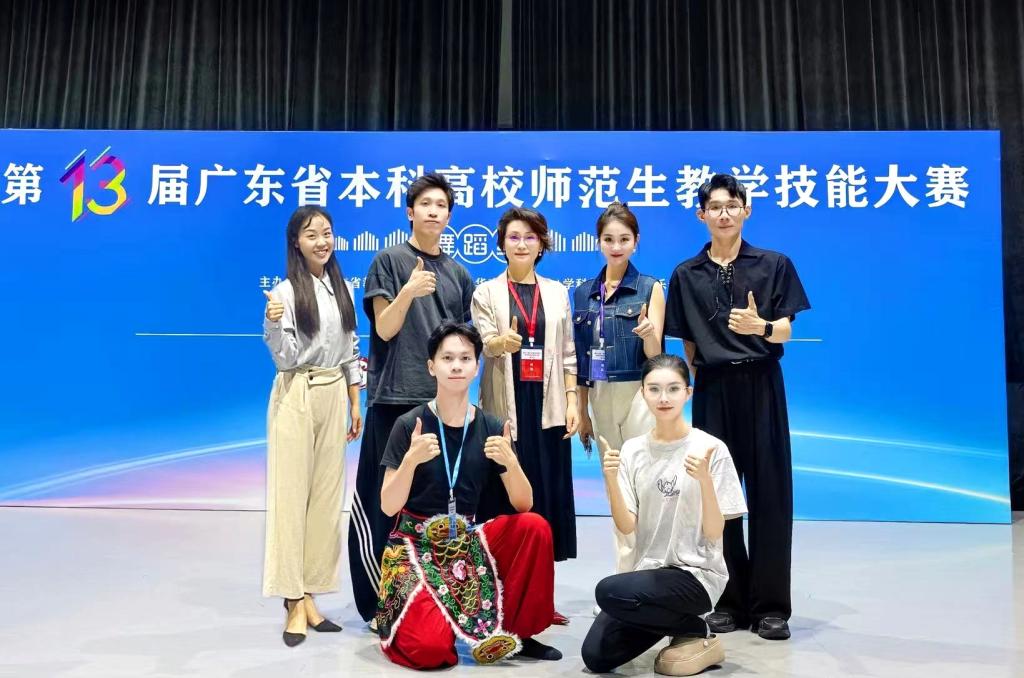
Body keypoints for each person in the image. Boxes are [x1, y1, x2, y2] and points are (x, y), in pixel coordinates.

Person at [664, 173, 811, 640]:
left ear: (746, 210)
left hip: (762, 382)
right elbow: (687, 343)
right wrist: (700, 380)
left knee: (770, 493)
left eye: (732, 205)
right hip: (713, 388)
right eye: (715, 207)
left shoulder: (774, 264)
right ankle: (728, 601)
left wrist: (760, 326)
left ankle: (771, 607)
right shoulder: (686, 274)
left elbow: (786, 329)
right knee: (717, 497)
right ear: (701, 214)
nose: (724, 214)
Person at [376, 322, 561, 668]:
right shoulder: (409, 425)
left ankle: (518, 631)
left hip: (466, 541)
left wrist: (511, 463)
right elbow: (388, 505)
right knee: (431, 651)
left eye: (465, 358)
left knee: (534, 527)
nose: (457, 366)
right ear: (431, 366)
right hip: (413, 546)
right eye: (447, 358)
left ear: (477, 366)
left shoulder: (492, 426)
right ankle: (431, 617)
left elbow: (524, 503)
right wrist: (411, 461)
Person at [348, 173, 476, 624]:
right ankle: (376, 605)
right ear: (410, 211)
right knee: (382, 505)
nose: (433, 212)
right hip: (393, 401)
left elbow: (463, 345)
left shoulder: (459, 274)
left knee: (432, 509)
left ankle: (429, 604)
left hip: (441, 406)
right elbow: (384, 329)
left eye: (441, 205)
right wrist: (408, 291)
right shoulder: (389, 261)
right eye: (425, 204)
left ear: (450, 215)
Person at [581, 354, 747, 676]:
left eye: (673, 389)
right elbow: (627, 525)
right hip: (648, 573)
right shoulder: (633, 450)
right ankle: (681, 626)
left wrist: (705, 481)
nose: (664, 398)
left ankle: (693, 626)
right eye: (654, 389)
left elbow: (715, 533)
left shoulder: (710, 448)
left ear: (688, 393)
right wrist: (611, 479)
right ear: (642, 393)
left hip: (696, 575)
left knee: (608, 591)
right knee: (596, 656)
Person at [262, 206, 363, 646]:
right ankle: (292, 600)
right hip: (296, 393)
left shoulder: (342, 287)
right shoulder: (285, 292)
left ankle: (310, 594)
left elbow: (350, 348)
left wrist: (355, 400)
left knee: (325, 500)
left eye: (327, 233)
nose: (322, 241)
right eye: (311, 234)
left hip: (334, 392)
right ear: (296, 243)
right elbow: (284, 358)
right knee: (292, 497)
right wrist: (272, 324)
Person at [471, 207, 579, 572]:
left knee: (547, 494)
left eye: (530, 237)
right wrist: (502, 342)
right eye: (514, 237)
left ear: (541, 245)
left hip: (548, 408)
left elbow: (568, 353)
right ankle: (501, 583)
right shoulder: (486, 292)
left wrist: (572, 401)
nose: (521, 244)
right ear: (501, 244)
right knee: (505, 495)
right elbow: (485, 343)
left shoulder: (557, 292)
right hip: (506, 406)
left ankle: (540, 588)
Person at [573, 201, 663, 575]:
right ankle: (626, 576)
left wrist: (649, 333)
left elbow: (656, 355)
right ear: (598, 242)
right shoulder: (583, 293)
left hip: (639, 393)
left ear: (636, 241)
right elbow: (579, 360)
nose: (616, 246)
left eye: (624, 239)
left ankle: (653, 572)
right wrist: (581, 411)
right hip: (600, 395)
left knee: (646, 482)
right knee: (616, 485)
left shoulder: (650, 288)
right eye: (609, 239)